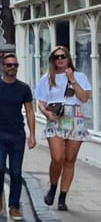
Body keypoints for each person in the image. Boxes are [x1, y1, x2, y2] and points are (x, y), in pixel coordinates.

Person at [0, 54, 36, 220]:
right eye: (9, 65)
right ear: (3, 66)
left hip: (17, 133)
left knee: (16, 172)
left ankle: (14, 206)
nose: (13, 68)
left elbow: (30, 111)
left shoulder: (24, 88)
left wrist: (32, 135)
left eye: (15, 65)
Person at [35, 46, 92, 212]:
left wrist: (72, 79)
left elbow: (84, 98)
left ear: (68, 58)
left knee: (70, 160)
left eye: (63, 56)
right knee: (57, 157)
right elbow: (41, 102)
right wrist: (46, 113)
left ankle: (62, 198)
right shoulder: (46, 79)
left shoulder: (79, 76)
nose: (60, 59)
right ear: (52, 60)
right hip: (56, 117)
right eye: (56, 57)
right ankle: (53, 187)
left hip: (75, 117)